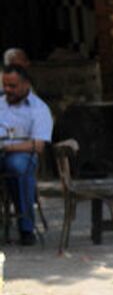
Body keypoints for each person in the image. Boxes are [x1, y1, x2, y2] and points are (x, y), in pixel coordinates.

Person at [0, 64, 53, 246]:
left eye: (12, 86)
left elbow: (38, 145)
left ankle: (26, 226)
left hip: (22, 153)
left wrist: (7, 148)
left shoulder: (39, 109)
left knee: (18, 167)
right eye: (5, 85)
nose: (8, 90)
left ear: (25, 85)